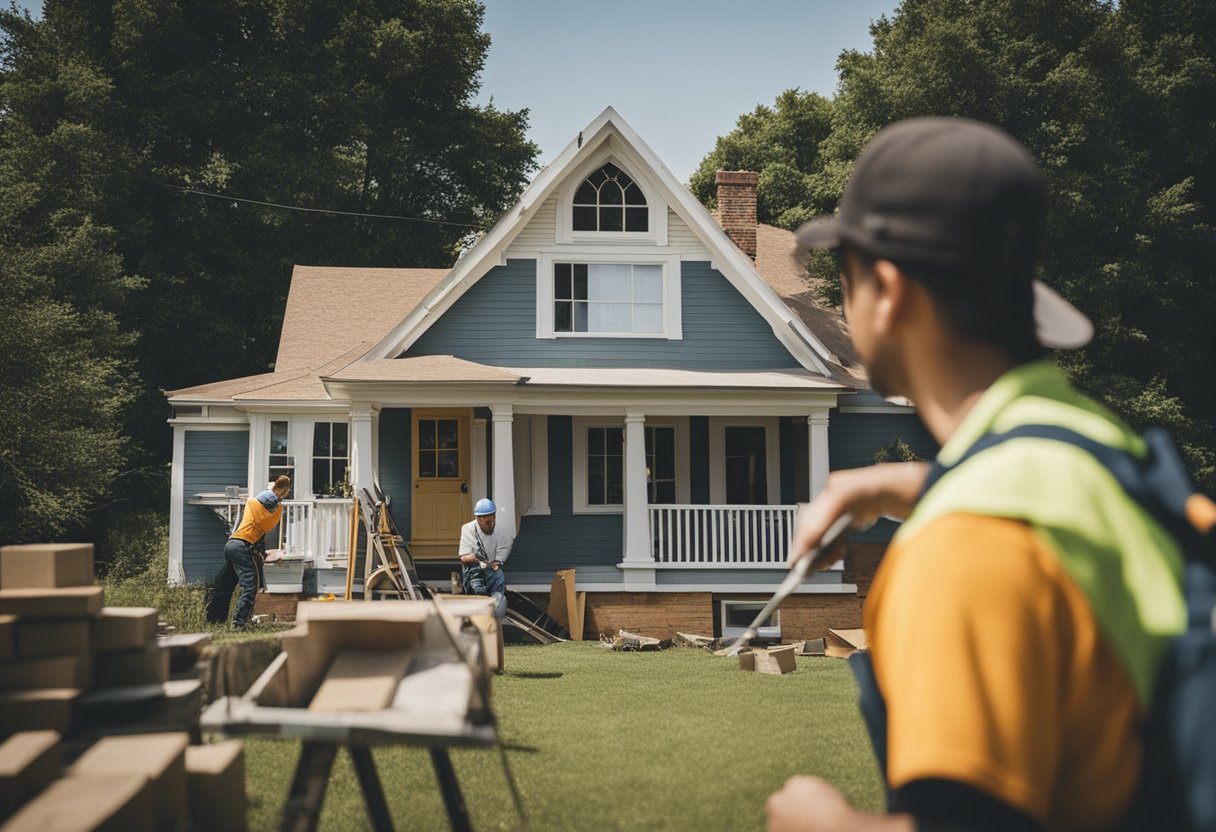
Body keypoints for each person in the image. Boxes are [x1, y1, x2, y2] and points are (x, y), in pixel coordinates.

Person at [765, 118, 1187, 832]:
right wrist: (898, 486)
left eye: (846, 279)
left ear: (888, 292)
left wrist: (823, 823)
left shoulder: (965, 545)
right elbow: (1052, 511)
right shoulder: (1103, 450)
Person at [205, 475, 291, 629]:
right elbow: (270, 500)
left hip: (232, 544)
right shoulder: (273, 513)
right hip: (241, 547)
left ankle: (214, 620)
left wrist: (262, 554)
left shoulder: (252, 506)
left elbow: (266, 498)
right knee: (250, 586)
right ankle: (239, 623)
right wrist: (276, 492)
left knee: (226, 585)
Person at [458, 498, 512, 621]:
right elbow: (464, 558)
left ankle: (495, 617)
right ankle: (476, 616)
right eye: (484, 518)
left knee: (499, 582)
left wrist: (496, 563)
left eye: (491, 517)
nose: (489, 521)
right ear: (478, 518)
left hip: (492, 569)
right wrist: (477, 558)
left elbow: (500, 558)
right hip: (474, 569)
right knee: (476, 586)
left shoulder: (502, 534)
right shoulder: (468, 529)